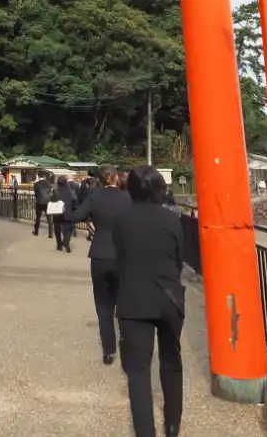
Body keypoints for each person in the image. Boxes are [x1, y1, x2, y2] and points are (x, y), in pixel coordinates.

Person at [113, 165, 185, 437]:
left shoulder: (122, 219)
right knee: (171, 360)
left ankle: (145, 432)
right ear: (158, 188)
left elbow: (122, 256)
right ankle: (172, 424)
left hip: (133, 299)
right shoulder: (172, 219)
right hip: (168, 297)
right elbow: (178, 260)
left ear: (130, 188)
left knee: (139, 371)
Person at [64, 163, 130, 365]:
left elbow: (75, 216)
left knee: (103, 304)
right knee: (125, 302)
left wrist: (63, 208)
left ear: (99, 180)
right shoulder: (127, 198)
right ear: (116, 178)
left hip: (100, 253)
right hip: (122, 254)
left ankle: (109, 350)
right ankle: (126, 340)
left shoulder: (94, 197)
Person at [50, 175, 76, 253]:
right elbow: (74, 200)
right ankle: (66, 242)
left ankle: (59, 245)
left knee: (57, 229)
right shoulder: (70, 191)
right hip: (67, 213)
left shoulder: (55, 191)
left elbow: (52, 200)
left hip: (57, 212)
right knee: (67, 229)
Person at [32, 170, 53, 238]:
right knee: (49, 218)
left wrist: (38, 199)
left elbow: (36, 194)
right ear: (44, 176)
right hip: (47, 202)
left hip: (40, 202)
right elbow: (49, 192)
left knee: (38, 217)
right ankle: (50, 233)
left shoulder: (36, 184)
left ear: (38, 176)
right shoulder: (48, 184)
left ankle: (36, 231)